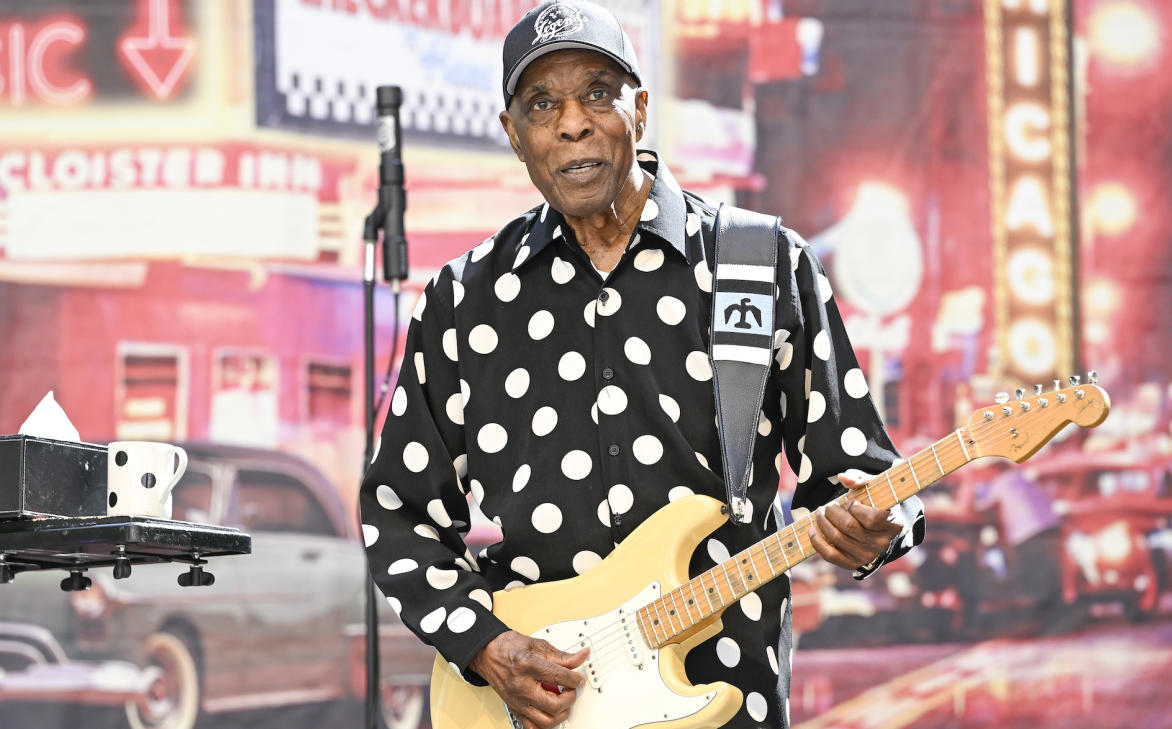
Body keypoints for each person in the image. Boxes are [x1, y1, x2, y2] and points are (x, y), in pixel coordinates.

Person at [359, 2, 925, 727]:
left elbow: (859, 472)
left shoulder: (759, 261)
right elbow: (399, 510)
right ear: (514, 135)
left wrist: (876, 520)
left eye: (598, 92)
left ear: (642, 108)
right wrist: (486, 646)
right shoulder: (464, 298)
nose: (572, 122)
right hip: (540, 709)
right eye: (541, 103)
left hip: (725, 697)